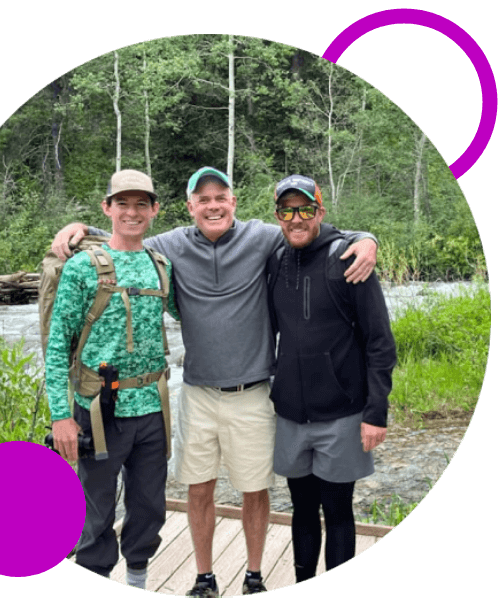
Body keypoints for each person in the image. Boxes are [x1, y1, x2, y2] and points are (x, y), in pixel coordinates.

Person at [51, 167, 378, 596]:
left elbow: (309, 225)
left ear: (233, 202)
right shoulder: (167, 247)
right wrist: (82, 228)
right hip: (197, 392)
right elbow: (126, 234)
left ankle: (255, 576)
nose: (212, 205)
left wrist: (365, 237)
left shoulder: (263, 236)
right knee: (198, 487)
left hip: (254, 391)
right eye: (202, 199)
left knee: (254, 489)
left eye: (220, 197)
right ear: (189, 208)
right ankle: (204, 577)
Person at [45, 169, 180, 589]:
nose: (132, 212)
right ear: (107, 208)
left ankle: (138, 578)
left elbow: (181, 315)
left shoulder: (161, 265)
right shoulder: (82, 268)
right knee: (96, 511)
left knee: (148, 507)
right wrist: (60, 416)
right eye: (122, 203)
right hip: (99, 411)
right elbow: (55, 346)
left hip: (153, 408)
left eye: (142, 203)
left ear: (155, 210)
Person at [267, 174, 397, 583]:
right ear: (278, 216)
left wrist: (376, 411)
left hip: (342, 412)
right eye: (287, 210)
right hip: (290, 413)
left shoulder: (348, 259)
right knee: (301, 509)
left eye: (305, 208)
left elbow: (380, 342)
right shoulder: (274, 258)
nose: (297, 218)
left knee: (338, 510)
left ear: (320, 211)